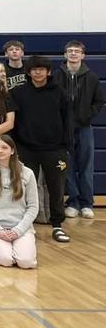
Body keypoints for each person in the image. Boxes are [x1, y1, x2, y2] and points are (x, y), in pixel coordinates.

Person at [11, 56, 71, 243]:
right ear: (28, 72)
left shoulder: (60, 93)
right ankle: (23, 224)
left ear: (48, 71)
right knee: (24, 187)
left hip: (54, 150)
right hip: (26, 148)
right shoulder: (19, 93)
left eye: (41, 69)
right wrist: (16, 145)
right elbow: (13, 122)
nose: (38, 72)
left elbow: (68, 120)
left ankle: (57, 225)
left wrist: (65, 146)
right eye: (34, 69)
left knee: (56, 188)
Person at [0, 135, 39, 269]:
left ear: (12, 150)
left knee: (26, 263)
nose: (0, 151)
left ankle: (21, 248)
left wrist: (19, 230)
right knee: (5, 260)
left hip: (21, 228)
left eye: (4, 147)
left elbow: (33, 207)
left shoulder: (27, 173)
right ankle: (2, 249)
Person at [58, 40, 103, 219]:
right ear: (65, 55)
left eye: (77, 51)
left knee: (86, 166)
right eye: (70, 51)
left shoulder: (91, 77)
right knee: (67, 167)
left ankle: (87, 203)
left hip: (84, 127)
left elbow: (99, 102)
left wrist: (87, 115)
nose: (74, 54)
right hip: (64, 129)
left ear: (83, 55)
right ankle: (73, 202)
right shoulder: (57, 75)